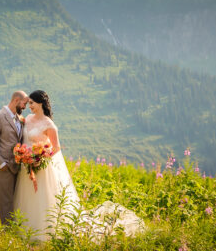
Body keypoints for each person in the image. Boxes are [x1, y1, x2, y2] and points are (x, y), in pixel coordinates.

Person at [13, 89, 144, 241]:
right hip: (26, 165)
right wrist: (24, 154)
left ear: (40, 103)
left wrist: (40, 157)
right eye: (29, 103)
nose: (29, 106)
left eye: (32, 103)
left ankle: (43, 234)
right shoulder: (28, 118)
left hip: (41, 167)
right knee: (27, 197)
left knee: (42, 198)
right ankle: (24, 230)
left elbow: (56, 148)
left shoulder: (50, 125)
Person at [0, 90, 28, 226]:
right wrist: (1, 164)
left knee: (17, 203)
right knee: (6, 204)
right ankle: (7, 235)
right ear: (16, 101)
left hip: (18, 168)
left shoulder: (20, 120)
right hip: (4, 169)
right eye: (24, 104)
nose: (25, 107)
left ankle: (16, 231)